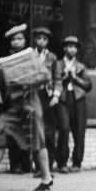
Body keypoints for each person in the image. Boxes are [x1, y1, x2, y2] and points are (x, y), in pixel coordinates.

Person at [0, 24, 54, 191]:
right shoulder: (3, 62)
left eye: (20, 38)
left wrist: (24, 79)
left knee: (37, 141)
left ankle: (46, 177)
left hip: (30, 104)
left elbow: (45, 76)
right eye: (13, 39)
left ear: (24, 41)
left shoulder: (32, 57)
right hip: (12, 107)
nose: (17, 41)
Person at [55, 36, 92, 173]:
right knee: (64, 129)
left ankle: (77, 163)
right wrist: (65, 76)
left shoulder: (81, 66)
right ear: (64, 48)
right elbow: (54, 80)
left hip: (78, 99)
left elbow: (88, 86)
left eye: (74, 47)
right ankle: (62, 163)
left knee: (79, 131)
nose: (72, 49)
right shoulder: (58, 64)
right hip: (63, 98)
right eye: (69, 46)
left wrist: (76, 78)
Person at [32, 26, 59, 173]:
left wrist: (56, 95)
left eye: (44, 39)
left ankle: (49, 166)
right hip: (34, 94)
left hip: (47, 95)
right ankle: (38, 167)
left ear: (47, 41)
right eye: (38, 38)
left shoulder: (52, 57)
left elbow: (57, 78)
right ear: (35, 40)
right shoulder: (29, 56)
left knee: (49, 132)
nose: (41, 41)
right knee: (36, 131)